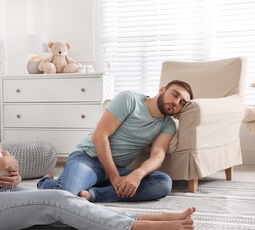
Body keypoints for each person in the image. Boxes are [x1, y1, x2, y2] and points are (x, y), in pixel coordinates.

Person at [0, 67, 195, 230]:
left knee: (64, 200)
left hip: (3, 194)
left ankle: (145, 218)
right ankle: (138, 229)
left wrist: (13, 173)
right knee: (56, 200)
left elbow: (6, 158)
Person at [37, 80, 193, 203]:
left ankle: (93, 194)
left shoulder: (168, 124)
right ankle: (46, 182)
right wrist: (114, 178)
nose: (176, 102)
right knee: (64, 195)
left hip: (117, 168)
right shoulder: (130, 99)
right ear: (162, 90)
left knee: (163, 183)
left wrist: (138, 174)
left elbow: (158, 156)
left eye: (182, 103)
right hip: (88, 158)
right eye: (175, 95)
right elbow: (99, 136)